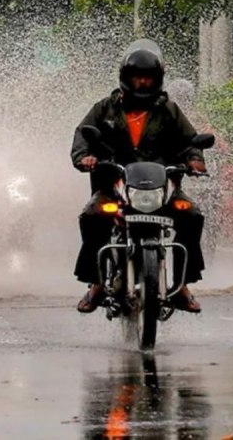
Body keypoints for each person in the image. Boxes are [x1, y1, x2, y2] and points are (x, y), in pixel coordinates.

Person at [70, 39, 207, 314]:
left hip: (162, 188)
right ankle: (96, 284)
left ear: (157, 79)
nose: (142, 83)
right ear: (125, 77)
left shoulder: (169, 110)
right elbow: (82, 135)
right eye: (137, 77)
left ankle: (181, 286)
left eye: (148, 78)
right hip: (115, 187)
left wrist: (194, 160)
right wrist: (85, 158)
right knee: (93, 216)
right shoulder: (104, 109)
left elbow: (190, 140)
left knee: (191, 215)